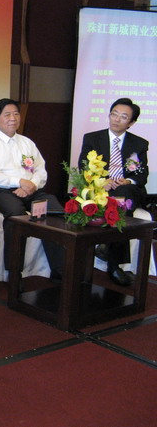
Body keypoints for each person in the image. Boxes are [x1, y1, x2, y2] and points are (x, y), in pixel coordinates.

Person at [0, 98, 64, 281]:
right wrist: (20, 181)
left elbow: (41, 169)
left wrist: (31, 185)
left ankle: (60, 269)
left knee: (55, 208)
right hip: (1, 192)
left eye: (16, 114)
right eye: (7, 115)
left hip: (31, 190)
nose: (13, 118)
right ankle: (14, 271)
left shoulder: (27, 143)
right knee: (16, 215)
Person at [79, 97, 149, 286]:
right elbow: (84, 167)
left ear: (131, 123)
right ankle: (114, 266)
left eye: (123, 117)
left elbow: (141, 176)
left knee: (124, 192)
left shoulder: (138, 144)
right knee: (118, 205)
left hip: (129, 191)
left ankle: (106, 247)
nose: (116, 119)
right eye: (114, 114)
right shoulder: (92, 138)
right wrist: (102, 182)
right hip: (102, 189)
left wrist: (127, 180)